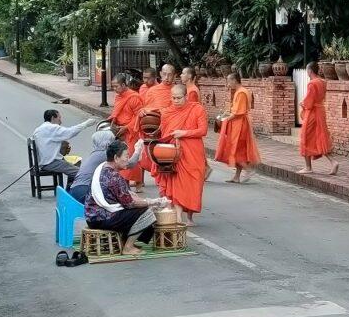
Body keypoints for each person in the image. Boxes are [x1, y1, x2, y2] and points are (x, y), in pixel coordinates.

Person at [85, 140, 160, 256]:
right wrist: (151, 202)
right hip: (102, 218)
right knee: (147, 213)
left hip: (93, 217)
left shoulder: (102, 166)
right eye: (126, 156)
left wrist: (138, 151)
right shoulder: (114, 177)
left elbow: (118, 193)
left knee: (136, 209)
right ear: (116, 158)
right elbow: (130, 204)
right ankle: (128, 248)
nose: (127, 159)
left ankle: (124, 241)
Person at [153, 83, 209, 226]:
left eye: (179, 98)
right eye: (173, 98)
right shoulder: (167, 112)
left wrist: (183, 133)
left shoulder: (197, 109)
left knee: (195, 183)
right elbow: (164, 134)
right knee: (177, 182)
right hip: (175, 152)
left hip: (194, 151)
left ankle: (189, 217)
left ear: (186, 96)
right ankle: (177, 216)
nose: (176, 101)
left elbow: (203, 130)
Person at [68, 130, 143, 204]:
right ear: (108, 142)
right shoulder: (105, 154)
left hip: (77, 190)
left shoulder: (96, 154)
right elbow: (129, 164)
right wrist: (137, 150)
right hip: (85, 190)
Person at [215, 73, 261, 183]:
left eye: (229, 81)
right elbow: (236, 110)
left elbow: (238, 112)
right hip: (237, 123)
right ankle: (237, 177)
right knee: (239, 149)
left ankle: (248, 169)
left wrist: (225, 119)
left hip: (239, 124)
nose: (228, 84)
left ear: (235, 80)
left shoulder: (241, 92)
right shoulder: (240, 91)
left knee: (235, 149)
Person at [298, 62, 337, 175]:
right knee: (320, 137)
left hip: (312, 113)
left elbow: (309, 102)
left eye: (307, 70)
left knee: (305, 137)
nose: (307, 72)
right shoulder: (323, 82)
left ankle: (308, 167)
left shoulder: (312, 83)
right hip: (320, 111)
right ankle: (333, 162)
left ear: (310, 71)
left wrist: (302, 103)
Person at [32, 109, 95, 180]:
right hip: (51, 162)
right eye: (59, 118)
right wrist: (86, 124)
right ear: (53, 118)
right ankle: (75, 188)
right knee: (81, 174)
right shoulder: (51, 128)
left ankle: (70, 187)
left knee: (77, 161)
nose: (60, 122)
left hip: (45, 161)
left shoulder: (39, 129)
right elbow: (70, 132)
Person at [109, 73, 145, 187]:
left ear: (124, 84)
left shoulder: (133, 97)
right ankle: (124, 182)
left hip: (131, 130)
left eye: (116, 86)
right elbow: (116, 111)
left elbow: (138, 116)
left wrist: (127, 127)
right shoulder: (118, 96)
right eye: (113, 87)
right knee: (120, 156)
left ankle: (137, 182)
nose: (114, 89)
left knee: (130, 155)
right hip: (120, 130)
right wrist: (113, 122)